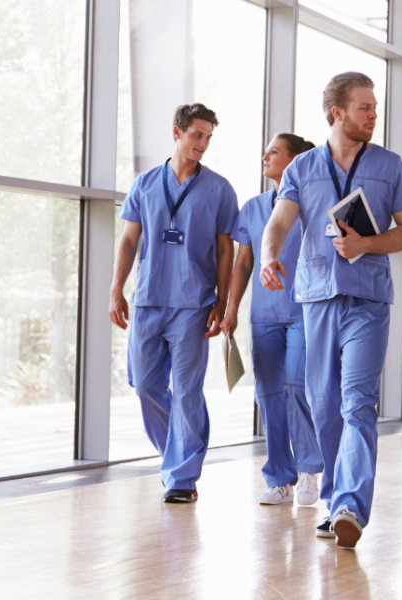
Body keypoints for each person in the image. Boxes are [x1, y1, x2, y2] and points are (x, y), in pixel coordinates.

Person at [259, 72, 402, 548]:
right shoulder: (302, 168)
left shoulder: (389, 166)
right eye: (365, 107)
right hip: (317, 298)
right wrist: (269, 257)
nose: (374, 115)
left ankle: (350, 504)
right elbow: (279, 223)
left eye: (374, 107)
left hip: (368, 299)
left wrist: (366, 244)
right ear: (338, 113)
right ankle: (335, 502)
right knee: (324, 404)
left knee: (357, 401)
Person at [109, 103, 238, 504]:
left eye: (208, 137)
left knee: (186, 391)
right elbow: (129, 240)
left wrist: (222, 300)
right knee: (146, 385)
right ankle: (175, 457)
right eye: (197, 135)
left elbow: (225, 250)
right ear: (177, 132)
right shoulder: (145, 184)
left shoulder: (219, 189)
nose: (203, 143)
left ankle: (182, 476)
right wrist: (116, 288)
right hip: (148, 299)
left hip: (193, 303)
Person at [221, 133, 324, 507]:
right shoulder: (252, 207)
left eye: (274, 151)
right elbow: (243, 263)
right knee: (268, 395)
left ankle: (309, 469)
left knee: (296, 385)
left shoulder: (313, 205)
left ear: (296, 161)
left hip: (304, 311)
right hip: (263, 316)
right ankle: (280, 478)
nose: (265, 156)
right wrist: (231, 309)